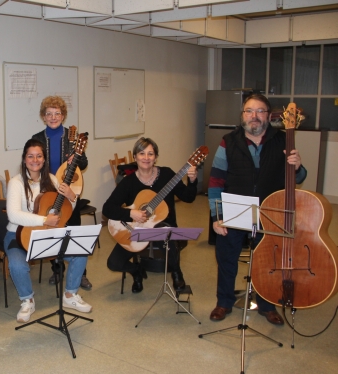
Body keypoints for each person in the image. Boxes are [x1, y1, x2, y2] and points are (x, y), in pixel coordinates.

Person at [208, 93, 307, 325]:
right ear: (242, 115)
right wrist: (217, 216)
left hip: (271, 210)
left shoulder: (283, 140)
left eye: (259, 111)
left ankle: (267, 304)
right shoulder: (228, 141)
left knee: (268, 260)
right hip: (234, 209)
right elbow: (215, 180)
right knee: (227, 258)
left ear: (268, 115)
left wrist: (299, 166)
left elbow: (299, 177)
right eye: (249, 111)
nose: (254, 116)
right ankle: (223, 302)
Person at [5, 139, 92, 323]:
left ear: (44, 160)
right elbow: (13, 215)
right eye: (30, 156)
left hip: (48, 233)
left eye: (39, 156)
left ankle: (70, 295)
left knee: (80, 252)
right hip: (18, 234)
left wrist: (72, 197)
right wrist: (44, 219)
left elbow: (64, 210)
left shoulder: (52, 179)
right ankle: (27, 300)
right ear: (24, 159)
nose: (35, 160)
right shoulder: (16, 183)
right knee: (17, 264)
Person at [102, 138, 197, 293]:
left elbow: (189, 197)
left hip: (163, 229)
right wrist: (131, 213)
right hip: (136, 230)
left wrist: (192, 180)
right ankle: (136, 271)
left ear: (156, 157)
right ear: (135, 157)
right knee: (114, 263)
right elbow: (107, 208)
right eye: (142, 153)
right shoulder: (129, 182)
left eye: (150, 154)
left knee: (167, 233)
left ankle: (177, 274)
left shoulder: (167, 175)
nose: (146, 158)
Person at [31, 95, 92, 289]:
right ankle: (57, 270)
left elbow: (84, 163)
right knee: (53, 229)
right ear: (43, 116)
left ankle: (81, 273)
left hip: (70, 190)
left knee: (73, 230)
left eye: (57, 113)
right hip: (49, 190)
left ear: (63, 115)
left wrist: (77, 156)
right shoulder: (38, 139)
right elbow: (32, 164)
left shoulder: (72, 138)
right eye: (49, 113)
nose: (53, 117)